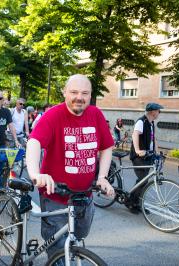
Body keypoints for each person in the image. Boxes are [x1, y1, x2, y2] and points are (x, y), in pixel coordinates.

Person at [26, 74, 115, 260]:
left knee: (77, 238)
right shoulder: (53, 115)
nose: (79, 97)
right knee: (59, 249)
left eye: (84, 93)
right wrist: (36, 173)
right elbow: (34, 142)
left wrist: (102, 177)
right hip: (55, 196)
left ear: (90, 95)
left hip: (85, 196)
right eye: (74, 92)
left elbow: (107, 146)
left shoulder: (96, 114)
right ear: (65, 92)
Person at [129, 102, 163, 212]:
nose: (159, 113)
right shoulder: (141, 121)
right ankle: (131, 203)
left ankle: (137, 203)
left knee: (143, 181)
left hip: (148, 156)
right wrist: (138, 150)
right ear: (152, 111)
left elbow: (154, 138)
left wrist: (157, 152)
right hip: (139, 157)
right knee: (142, 180)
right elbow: (135, 135)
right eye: (158, 111)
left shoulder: (151, 123)